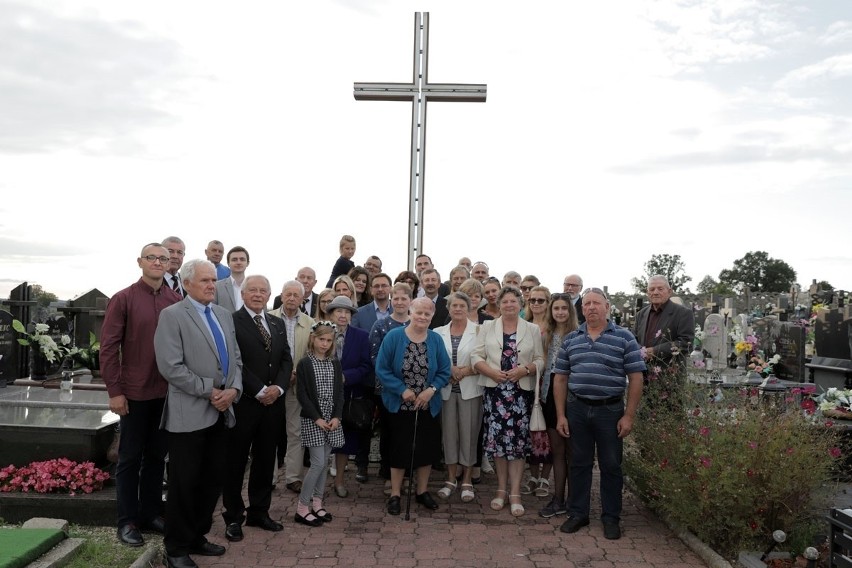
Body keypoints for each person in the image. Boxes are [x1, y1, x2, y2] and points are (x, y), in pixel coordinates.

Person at [154, 259, 243, 568]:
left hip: (222, 412)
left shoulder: (223, 315)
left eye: (213, 281)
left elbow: (236, 359)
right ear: (188, 284)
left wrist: (234, 391)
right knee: (184, 482)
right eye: (204, 280)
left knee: (211, 480)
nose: (210, 285)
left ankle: (197, 536)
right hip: (189, 414)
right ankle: (176, 548)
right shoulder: (173, 315)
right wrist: (211, 391)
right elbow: (171, 366)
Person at [101, 243, 181, 547]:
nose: (158, 262)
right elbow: (109, 348)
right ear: (140, 262)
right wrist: (114, 390)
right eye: (152, 257)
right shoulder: (123, 299)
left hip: (166, 393)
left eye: (163, 258)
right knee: (129, 458)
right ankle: (127, 521)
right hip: (133, 393)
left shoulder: (175, 300)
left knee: (157, 457)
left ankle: (149, 514)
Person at [553, 288, 645, 540]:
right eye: (586, 304)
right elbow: (560, 379)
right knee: (579, 463)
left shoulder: (624, 338)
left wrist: (629, 415)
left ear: (607, 307)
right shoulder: (571, 339)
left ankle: (611, 518)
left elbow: (636, 378)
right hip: (578, 409)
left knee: (611, 465)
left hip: (610, 410)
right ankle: (578, 513)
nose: (591, 307)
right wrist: (561, 415)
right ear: (581, 310)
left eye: (596, 303)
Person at [222, 275, 292, 542]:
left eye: (264, 290)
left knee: (265, 460)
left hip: (273, 405)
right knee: (236, 462)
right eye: (253, 290)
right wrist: (260, 390)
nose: (258, 294)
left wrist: (279, 388)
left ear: (269, 294)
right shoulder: (231, 321)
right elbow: (234, 361)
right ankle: (233, 517)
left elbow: (285, 358)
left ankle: (259, 512)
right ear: (244, 293)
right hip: (245, 403)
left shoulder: (275, 322)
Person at [471, 286, 544, 517]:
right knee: (499, 445)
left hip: (520, 395)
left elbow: (541, 360)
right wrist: (490, 372)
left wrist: (525, 370)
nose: (509, 305)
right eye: (505, 302)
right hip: (496, 394)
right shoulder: (487, 327)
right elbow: (476, 356)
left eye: (514, 301)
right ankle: (501, 490)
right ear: (499, 304)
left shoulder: (532, 329)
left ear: (520, 305)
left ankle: (515, 493)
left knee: (518, 446)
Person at [376, 297, 451, 515]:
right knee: (399, 449)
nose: (423, 317)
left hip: (427, 405)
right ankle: (395, 494)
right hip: (400, 405)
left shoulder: (436, 340)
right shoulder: (394, 337)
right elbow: (382, 369)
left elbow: (445, 370)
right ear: (410, 312)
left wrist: (432, 390)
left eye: (427, 314)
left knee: (426, 450)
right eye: (419, 312)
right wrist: (402, 389)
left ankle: (422, 491)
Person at [294, 321, 345, 527]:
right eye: (321, 339)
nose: (324, 344)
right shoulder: (305, 364)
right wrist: (316, 417)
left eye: (328, 341)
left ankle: (318, 502)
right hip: (313, 418)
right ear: (313, 339)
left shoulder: (334, 363)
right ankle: (302, 507)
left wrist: (336, 416)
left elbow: (340, 393)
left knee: (324, 463)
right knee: (317, 463)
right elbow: (302, 394)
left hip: (331, 418)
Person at [434, 293, 482, 503]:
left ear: (469, 307)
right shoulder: (437, 332)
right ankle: (451, 479)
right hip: (445, 390)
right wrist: (450, 371)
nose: (458, 309)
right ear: (448, 308)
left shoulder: (480, 331)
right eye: (454, 305)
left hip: (470, 390)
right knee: (449, 436)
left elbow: (485, 358)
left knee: (469, 436)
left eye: (462, 305)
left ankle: (468, 481)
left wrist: (463, 371)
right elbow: (434, 359)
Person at [269, 281, 315, 493]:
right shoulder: (268, 318)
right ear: (281, 294)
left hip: (297, 385)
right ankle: (267, 477)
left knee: (295, 433)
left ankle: (293, 477)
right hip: (269, 386)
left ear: (302, 298)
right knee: (268, 433)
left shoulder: (310, 322)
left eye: (296, 295)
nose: (291, 298)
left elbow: (312, 354)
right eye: (288, 294)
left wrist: (296, 374)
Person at [323, 295, 372, 497]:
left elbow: (366, 366)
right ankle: (317, 482)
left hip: (350, 395)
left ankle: (340, 481)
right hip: (324, 394)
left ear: (351, 315)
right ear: (331, 313)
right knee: (322, 437)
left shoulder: (361, 336)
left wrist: (346, 377)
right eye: (338, 311)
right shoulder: (321, 333)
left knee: (344, 440)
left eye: (346, 312)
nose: (342, 315)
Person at [538, 292, 578, 519]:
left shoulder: (577, 335)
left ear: (570, 311)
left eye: (564, 308)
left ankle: (575, 500)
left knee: (573, 451)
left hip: (572, 395)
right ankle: (558, 498)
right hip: (549, 395)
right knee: (558, 451)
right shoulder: (547, 335)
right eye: (556, 309)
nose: (560, 312)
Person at [368, 282, 413, 487]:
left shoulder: (417, 323)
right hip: (386, 389)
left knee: (409, 434)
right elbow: (375, 358)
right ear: (391, 300)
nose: (400, 302)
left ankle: (407, 475)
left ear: (410, 301)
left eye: (404, 298)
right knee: (389, 432)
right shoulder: (381, 326)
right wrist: (396, 383)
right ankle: (388, 474)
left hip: (413, 390)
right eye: (396, 298)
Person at [523, 285, 553, 498]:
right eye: (532, 300)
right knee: (530, 430)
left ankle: (545, 477)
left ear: (548, 302)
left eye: (540, 300)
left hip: (548, 383)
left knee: (548, 431)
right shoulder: (523, 325)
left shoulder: (554, 327)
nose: (535, 303)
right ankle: (532, 475)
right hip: (526, 381)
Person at [633, 275, 695, 369]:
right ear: (647, 292)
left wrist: (655, 351)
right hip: (643, 372)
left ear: (669, 291)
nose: (656, 292)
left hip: (669, 373)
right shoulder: (641, 314)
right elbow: (633, 338)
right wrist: (640, 351)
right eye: (652, 289)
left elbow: (685, 342)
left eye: (660, 289)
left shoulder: (683, 313)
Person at [214, 246, 249, 313]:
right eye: (234, 259)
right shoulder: (217, 287)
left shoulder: (256, 288)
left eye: (242, 259)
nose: (238, 262)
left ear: (247, 263)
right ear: (228, 263)